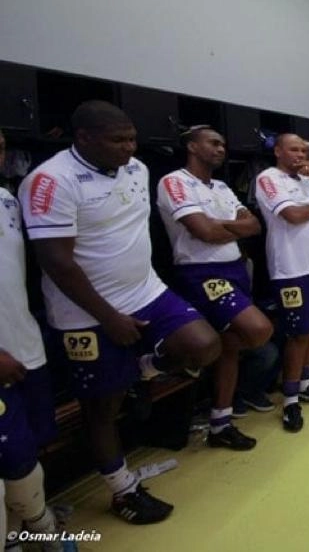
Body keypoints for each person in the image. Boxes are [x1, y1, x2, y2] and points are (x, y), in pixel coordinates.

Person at [20, 101, 221, 523]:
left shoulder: (137, 169)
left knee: (203, 344)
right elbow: (56, 262)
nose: (129, 147)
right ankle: (122, 489)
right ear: (84, 138)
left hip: (145, 290)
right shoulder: (51, 181)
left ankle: (142, 369)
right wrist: (109, 318)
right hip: (85, 313)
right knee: (102, 409)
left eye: (132, 138)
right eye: (117, 140)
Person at [156, 126, 273, 450]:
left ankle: (220, 424)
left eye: (223, 143)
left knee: (231, 346)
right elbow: (202, 232)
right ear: (192, 146)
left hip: (234, 268)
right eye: (214, 143)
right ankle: (167, 364)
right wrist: (229, 228)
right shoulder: (175, 182)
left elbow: (253, 226)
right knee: (258, 329)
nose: (221, 149)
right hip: (201, 273)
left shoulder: (221, 186)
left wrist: (219, 226)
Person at [0, 127, 72, 549]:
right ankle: (40, 530)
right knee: (14, 457)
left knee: (34, 445)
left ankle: (22, 530)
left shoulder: (8, 198)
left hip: (26, 346)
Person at [254, 133, 309, 432]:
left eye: (304, 151)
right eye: (294, 149)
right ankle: (290, 401)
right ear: (277, 151)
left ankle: (305, 383)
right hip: (290, 269)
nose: (300, 155)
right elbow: (292, 215)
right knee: (297, 334)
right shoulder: (268, 178)